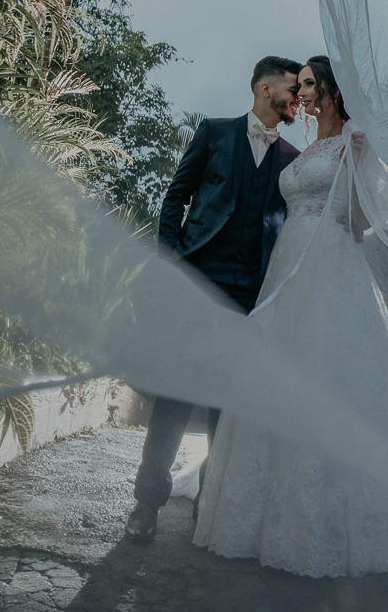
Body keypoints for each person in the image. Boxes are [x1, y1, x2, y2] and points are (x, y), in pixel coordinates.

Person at [192, 56, 388, 577]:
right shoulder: (303, 152)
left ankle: (333, 518)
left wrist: (358, 187)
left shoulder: (353, 142)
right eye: (296, 84)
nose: (298, 93)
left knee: (327, 369)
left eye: (305, 83)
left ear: (327, 89)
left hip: (330, 264)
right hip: (287, 267)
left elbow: (367, 217)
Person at [125, 55, 302, 542]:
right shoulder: (215, 132)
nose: (298, 99)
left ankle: (212, 500)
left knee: (229, 402)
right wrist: (174, 259)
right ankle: (146, 504)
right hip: (198, 282)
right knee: (176, 397)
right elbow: (175, 196)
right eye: (292, 89)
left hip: (252, 293)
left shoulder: (292, 158)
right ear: (265, 90)